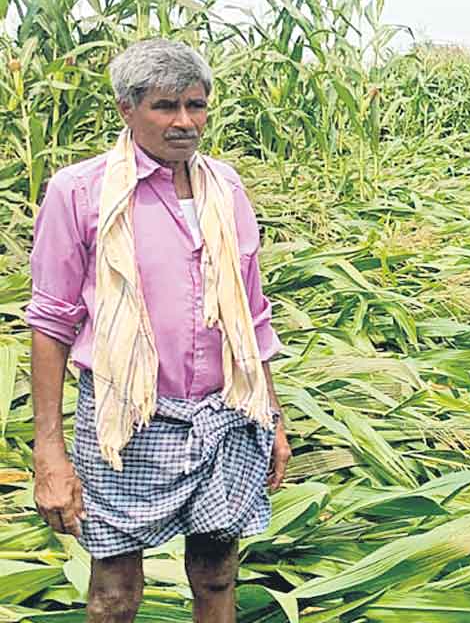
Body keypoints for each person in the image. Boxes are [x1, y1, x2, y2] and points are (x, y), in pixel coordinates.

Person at [27, 39, 291, 622]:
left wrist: (271, 414)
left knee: (218, 572)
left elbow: (251, 311)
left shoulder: (225, 188)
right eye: (165, 107)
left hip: (225, 409)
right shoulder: (81, 192)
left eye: (196, 106)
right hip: (127, 416)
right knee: (115, 589)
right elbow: (50, 321)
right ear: (126, 108)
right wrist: (49, 450)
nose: (184, 122)